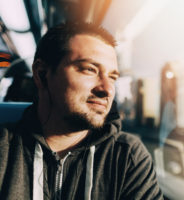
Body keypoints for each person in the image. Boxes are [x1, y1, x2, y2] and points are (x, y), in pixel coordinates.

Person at [0, 22, 163, 200]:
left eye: (112, 77)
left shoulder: (126, 157)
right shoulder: (4, 149)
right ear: (42, 74)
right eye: (90, 70)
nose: (107, 89)